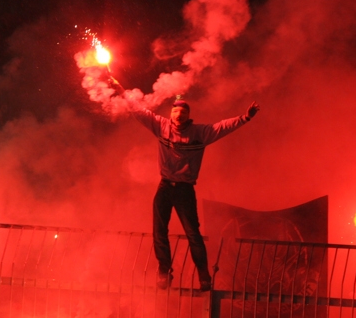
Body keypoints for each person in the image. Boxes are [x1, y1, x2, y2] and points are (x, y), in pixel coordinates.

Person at [109, 78, 259, 290]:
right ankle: (164, 270)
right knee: (159, 230)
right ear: (171, 115)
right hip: (165, 187)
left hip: (185, 190)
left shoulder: (199, 133)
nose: (179, 116)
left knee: (193, 234)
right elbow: (137, 110)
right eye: (176, 113)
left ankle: (203, 275)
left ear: (189, 116)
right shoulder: (161, 126)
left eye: (183, 113)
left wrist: (245, 118)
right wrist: (120, 89)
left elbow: (222, 127)